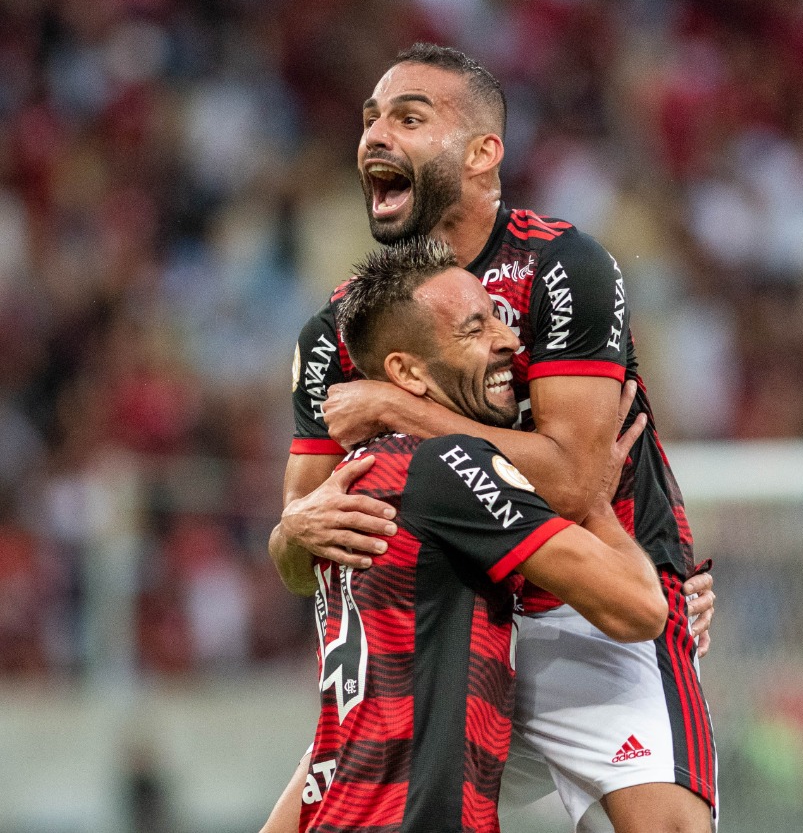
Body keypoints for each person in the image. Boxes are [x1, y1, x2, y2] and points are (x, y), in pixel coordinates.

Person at [266, 43, 716, 833]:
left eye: (409, 117)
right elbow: (306, 550)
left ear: (483, 153)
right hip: (454, 617)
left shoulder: (563, 267)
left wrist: (401, 410)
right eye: (370, 119)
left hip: (592, 604)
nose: (375, 135)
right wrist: (291, 533)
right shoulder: (337, 331)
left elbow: (576, 486)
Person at [293, 236, 666, 833]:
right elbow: (640, 607)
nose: (510, 341)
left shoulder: (350, 482)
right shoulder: (447, 469)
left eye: (497, 314)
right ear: (406, 372)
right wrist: (594, 500)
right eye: (475, 328)